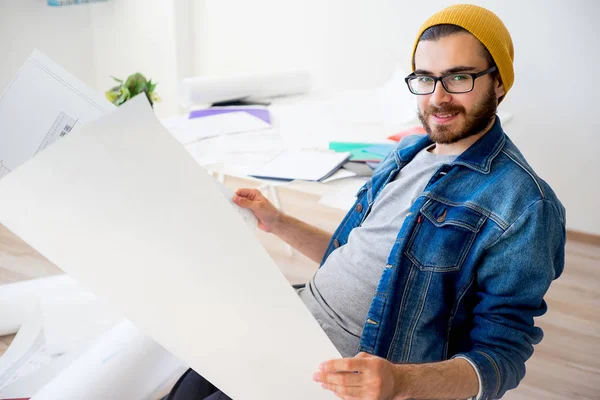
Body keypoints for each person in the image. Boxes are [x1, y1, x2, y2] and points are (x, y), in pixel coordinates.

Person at [167, 4, 566, 400]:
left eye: (459, 77)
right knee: (184, 387)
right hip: (296, 313)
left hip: (345, 373)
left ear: (499, 82)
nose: (438, 97)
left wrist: (401, 383)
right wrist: (276, 221)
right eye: (425, 79)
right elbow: (352, 254)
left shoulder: (525, 204)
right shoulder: (406, 153)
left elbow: (502, 356)